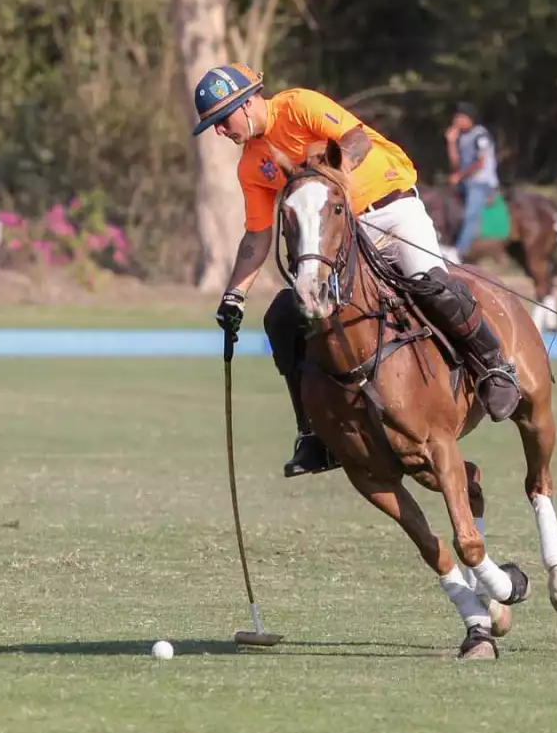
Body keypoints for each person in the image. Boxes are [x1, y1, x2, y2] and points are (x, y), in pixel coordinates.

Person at [194, 64, 522, 476]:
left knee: (433, 285)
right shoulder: (251, 166)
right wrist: (234, 296)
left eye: (222, 120)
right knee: (282, 317)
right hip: (341, 233)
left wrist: (333, 176)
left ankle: (494, 366)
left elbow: (356, 139)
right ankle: (313, 433)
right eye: (213, 125)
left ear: (246, 103)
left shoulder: (299, 105)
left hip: (391, 209)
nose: (219, 131)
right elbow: (258, 235)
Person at [445, 102, 498, 260]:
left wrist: (459, 176)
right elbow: (455, 163)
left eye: (460, 118)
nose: (456, 121)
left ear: (470, 119)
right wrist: (451, 142)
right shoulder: (461, 137)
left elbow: (480, 163)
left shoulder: (481, 136)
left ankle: (460, 251)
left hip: (481, 182)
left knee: (471, 214)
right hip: (464, 181)